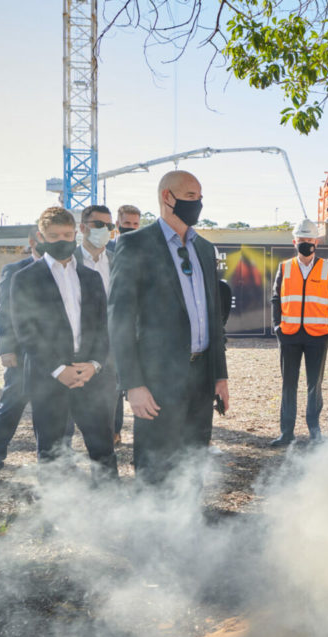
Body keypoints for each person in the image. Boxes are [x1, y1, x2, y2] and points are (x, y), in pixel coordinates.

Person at [108, 170, 230, 485]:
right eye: (191, 196)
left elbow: (213, 316)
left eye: (200, 197)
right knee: (155, 468)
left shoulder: (204, 248)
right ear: (167, 197)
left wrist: (220, 375)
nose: (198, 203)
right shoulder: (135, 245)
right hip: (156, 380)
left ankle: (187, 526)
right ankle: (152, 532)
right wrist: (132, 384)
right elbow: (119, 319)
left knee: (193, 464)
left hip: (201, 379)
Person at [10, 207, 118, 481]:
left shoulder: (91, 278)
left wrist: (94, 364)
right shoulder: (25, 279)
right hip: (49, 379)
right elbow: (26, 332)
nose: (62, 240)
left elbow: (102, 327)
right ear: (41, 237)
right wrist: (59, 369)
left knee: (102, 448)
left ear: (76, 233)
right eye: (54, 235)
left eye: (67, 234)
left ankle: (111, 508)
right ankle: (54, 515)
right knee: (50, 452)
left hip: (90, 375)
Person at [0, 227, 43, 486]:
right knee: (10, 408)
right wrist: (6, 348)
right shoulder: (14, 270)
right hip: (21, 354)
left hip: (55, 354)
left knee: (53, 413)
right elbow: (3, 310)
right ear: (33, 241)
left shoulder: (67, 268)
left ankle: (50, 468)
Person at [269, 219, 328, 447]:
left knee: (314, 384)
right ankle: (286, 433)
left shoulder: (327, 268)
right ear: (294, 242)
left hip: (318, 335)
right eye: (301, 241)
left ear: (316, 242)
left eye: (309, 240)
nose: (305, 244)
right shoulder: (284, 267)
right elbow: (276, 298)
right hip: (289, 334)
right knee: (288, 384)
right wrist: (277, 327)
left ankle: (314, 432)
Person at [76, 205, 125, 445]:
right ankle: (59, 477)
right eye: (98, 225)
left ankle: (104, 477)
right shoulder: (66, 261)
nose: (104, 230)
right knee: (60, 429)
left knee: (105, 425)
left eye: (109, 226)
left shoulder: (118, 263)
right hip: (72, 355)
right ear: (83, 228)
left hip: (108, 356)